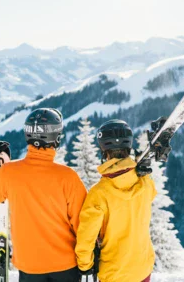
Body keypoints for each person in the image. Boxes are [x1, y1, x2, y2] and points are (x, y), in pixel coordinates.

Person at [0, 108, 87, 282]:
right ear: (56, 138)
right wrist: (88, 262)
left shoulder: (9, 173)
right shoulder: (68, 177)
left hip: (30, 266)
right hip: (65, 266)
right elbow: (83, 225)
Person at [75, 119, 157, 282]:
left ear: (103, 151)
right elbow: (152, 194)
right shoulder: (144, 183)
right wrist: (139, 171)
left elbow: (86, 237)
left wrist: (85, 266)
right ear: (129, 148)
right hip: (142, 269)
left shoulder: (98, 194)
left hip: (114, 273)